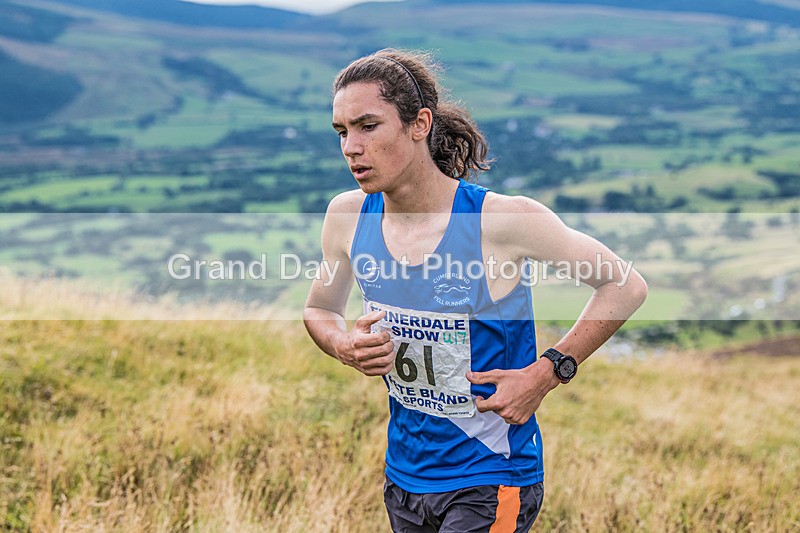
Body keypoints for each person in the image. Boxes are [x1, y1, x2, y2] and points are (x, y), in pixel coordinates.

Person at [303, 48, 647, 532]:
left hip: (491, 476)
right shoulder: (347, 215)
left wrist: (548, 372)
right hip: (404, 477)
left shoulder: (501, 220)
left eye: (368, 126)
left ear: (419, 123)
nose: (351, 147)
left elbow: (624, 283)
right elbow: (320, 307)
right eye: (342, 132)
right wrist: (343, 345)